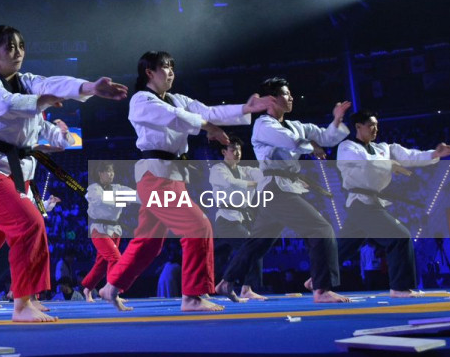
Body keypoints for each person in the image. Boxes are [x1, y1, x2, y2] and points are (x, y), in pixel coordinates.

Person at [0, 24, 128, 323]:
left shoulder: (27, 81)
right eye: (9, 47)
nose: (17, 52)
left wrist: (89, 89)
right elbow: (8, 106)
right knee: (30, 224)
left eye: (21, 46)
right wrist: (43, 102)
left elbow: (52, 89)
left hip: (16, 176)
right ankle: (22, 303)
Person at [99, 52, 274, 313]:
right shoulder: (141, 100)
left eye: (172, 68)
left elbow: (207, 111)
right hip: (156, 176)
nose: (171, 72)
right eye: (165, 68)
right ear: (149, 72)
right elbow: (174, 117)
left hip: (172, 175)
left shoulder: (177, 99)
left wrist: (245, 109)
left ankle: (111, 286)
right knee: (198, 226)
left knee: (149, 242)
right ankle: (192, 296)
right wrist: (209, 128)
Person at [216, 77, 351, 304]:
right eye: (286, 94)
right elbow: (289, 142)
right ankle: (321, 288)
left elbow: (326, 137)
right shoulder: (263, 125)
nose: (291, 97)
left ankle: (227, 282)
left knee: (258, 242)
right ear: (272, 99)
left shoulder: (297, 126)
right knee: (320, 228)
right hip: (275, 188)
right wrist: (312, 146)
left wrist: (336, 120)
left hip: (285, 187)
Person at [335, 110, 450, 297]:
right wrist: (390, 164)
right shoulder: (347, 148)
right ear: (358, 127)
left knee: (346, 246)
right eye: (370, 125)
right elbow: (365, 164)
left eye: (376, 125)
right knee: (399, 236)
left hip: (372, 200)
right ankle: (399, 288)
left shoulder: (383, 148)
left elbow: (409, 156)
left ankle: (317, 278)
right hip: (359, 201)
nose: (375, 128)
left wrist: (435, 153)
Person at [209, 137, 268, 300]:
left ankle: (246, 288)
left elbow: (261, 175)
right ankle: (225, 283)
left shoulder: (245, 170)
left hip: (244, 217)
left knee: (255, 247)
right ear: (224, 152)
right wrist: (253, 184)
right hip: (226, 219)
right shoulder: (217, 169)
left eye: (239, 149)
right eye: (233, 149)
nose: (237, 153)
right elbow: (229, 183)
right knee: (249, 245)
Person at [80, 162, 131, 302]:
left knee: (101, 264)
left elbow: (134, 196)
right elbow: (100, 200)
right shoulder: (93, 189)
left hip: (114, 230)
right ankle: (112, 292)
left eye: (112, 171)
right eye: (108, 171)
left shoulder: (118, 188)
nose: (111, 174)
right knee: (115, 258)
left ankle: (87, 288)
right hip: (99, 230)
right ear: (100, 173)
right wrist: (120, 200)